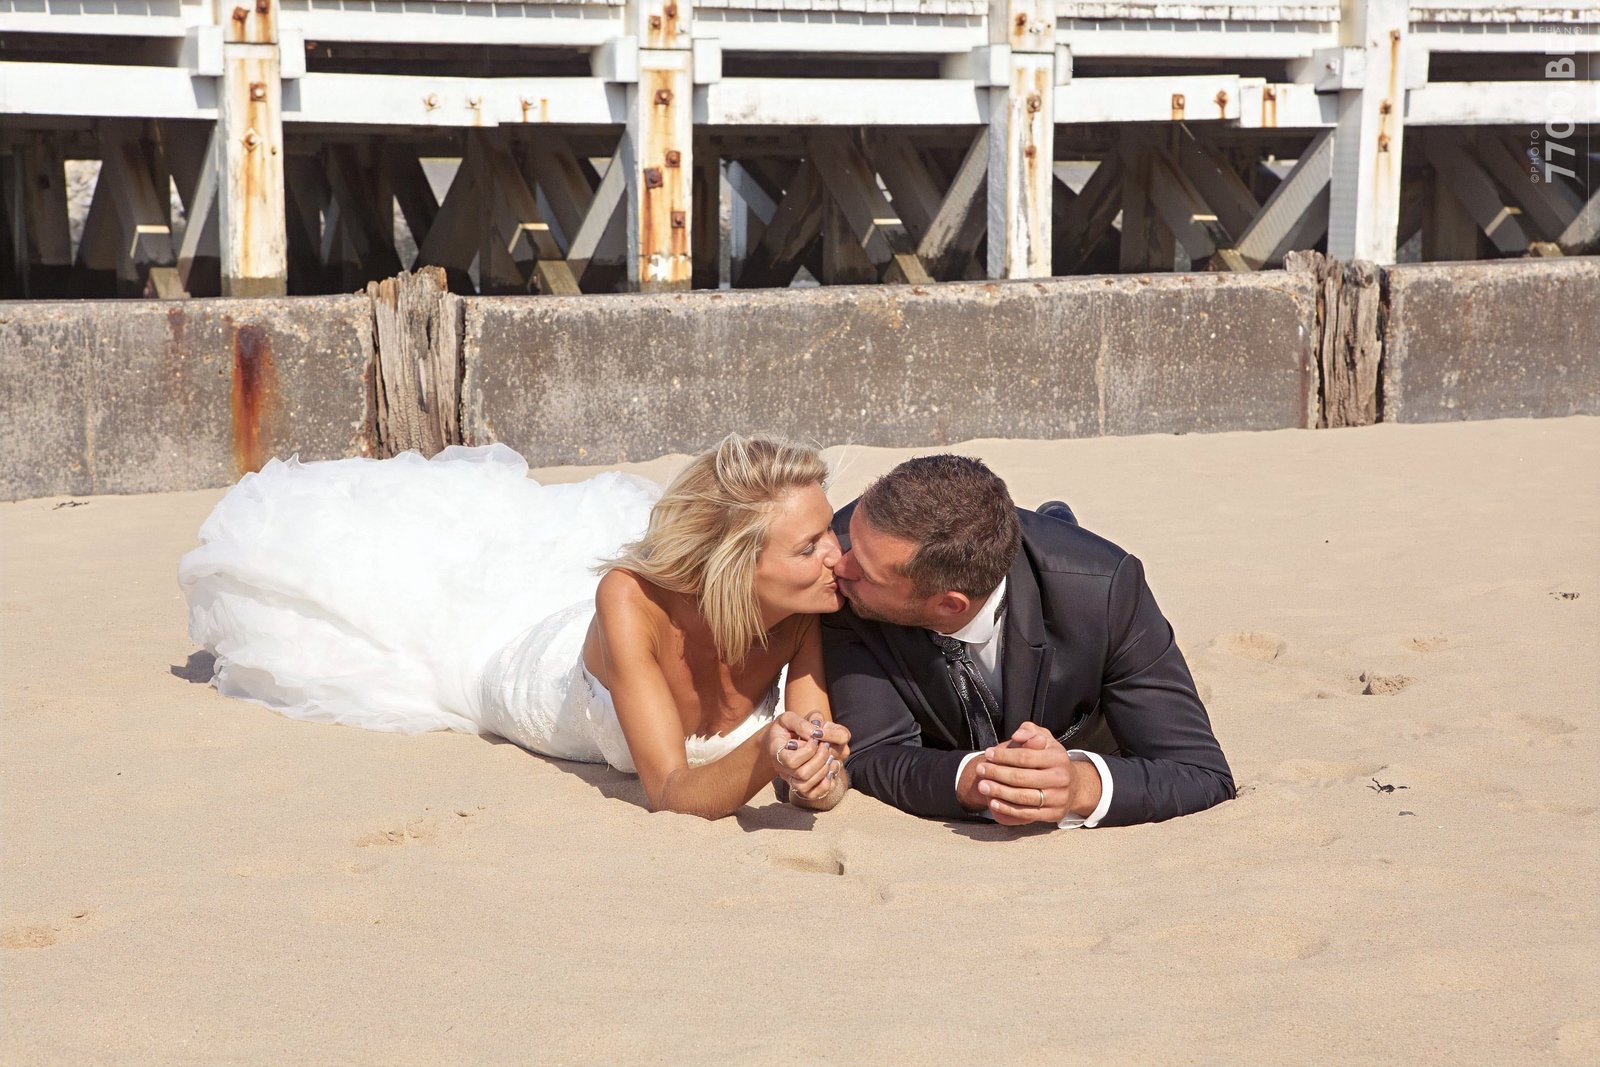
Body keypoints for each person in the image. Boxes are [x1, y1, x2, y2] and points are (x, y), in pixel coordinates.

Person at [179, 434, 852, 820]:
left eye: (829, 533)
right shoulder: (631, 603)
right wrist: (768, 752)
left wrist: (819, 776)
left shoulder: (802, 613)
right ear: (737, 567)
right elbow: (671, 793)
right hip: (521, 664)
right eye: (810, 545)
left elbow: (814, 762)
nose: (837, 556)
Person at [823, 454, 1233, 829]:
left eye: (865, 571)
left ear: (950, 604)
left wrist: (1078, 785)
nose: (839, 565)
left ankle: (1057, 524)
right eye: (851, 545)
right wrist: (977, 778)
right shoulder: (849, 569)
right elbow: (873, 753)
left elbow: (1201, 774)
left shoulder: (1106, 592)